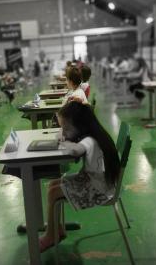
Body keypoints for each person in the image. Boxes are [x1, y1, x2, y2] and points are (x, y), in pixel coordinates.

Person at [39, 101, 120, 252]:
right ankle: (57, 229)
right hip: (96, 181)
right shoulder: (92, 132)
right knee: (53, 185)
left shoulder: (90, 140)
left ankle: (51, 235)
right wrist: (64, 132)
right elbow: (69, 137)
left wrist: (62, 142)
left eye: (67, 128)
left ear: (80, 126)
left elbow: (75, 151)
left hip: (99, 190)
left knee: (53, 192)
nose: (64, 131)